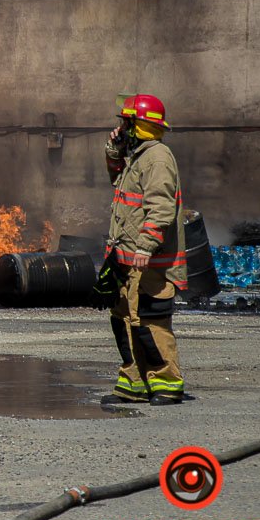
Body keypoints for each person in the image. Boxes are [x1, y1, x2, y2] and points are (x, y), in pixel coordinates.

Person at [101, 93, 187, 406]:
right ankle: (133, 382)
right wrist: (115, 151)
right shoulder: (139, 156)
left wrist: (147, 245)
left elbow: (161, 208)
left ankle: (166, 382)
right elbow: (118, 181)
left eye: (126, 121)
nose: (121, 126)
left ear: (140, 126)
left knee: (150, 321)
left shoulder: (158, 158)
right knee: (123, 319)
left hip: (149, 262)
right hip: (125, 259)